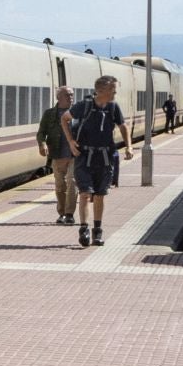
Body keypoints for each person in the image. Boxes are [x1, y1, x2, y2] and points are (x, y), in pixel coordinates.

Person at [62, 75, 131, 248]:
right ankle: (84, 228)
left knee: (100, 195)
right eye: (113, 89)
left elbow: (123, 126)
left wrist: (129, 146)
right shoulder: (84, 106)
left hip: (105, 157)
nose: (115, 92)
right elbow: (64, 118)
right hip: (84, 155)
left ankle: (97, 231)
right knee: (85, 193)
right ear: (102, 90)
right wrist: (70, 142)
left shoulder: (113, 107)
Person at [36, 85, 77, 225]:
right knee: (60, 186)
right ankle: (62, 213)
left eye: (72, 95)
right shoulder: (49, 114)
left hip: (75, 155)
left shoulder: (78, 113)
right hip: (57, 154)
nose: (71, 98)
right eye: (68, 95)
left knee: (72, 182)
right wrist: (42, 144)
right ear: (59, 97)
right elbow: (41, 132)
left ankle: (70, 214)